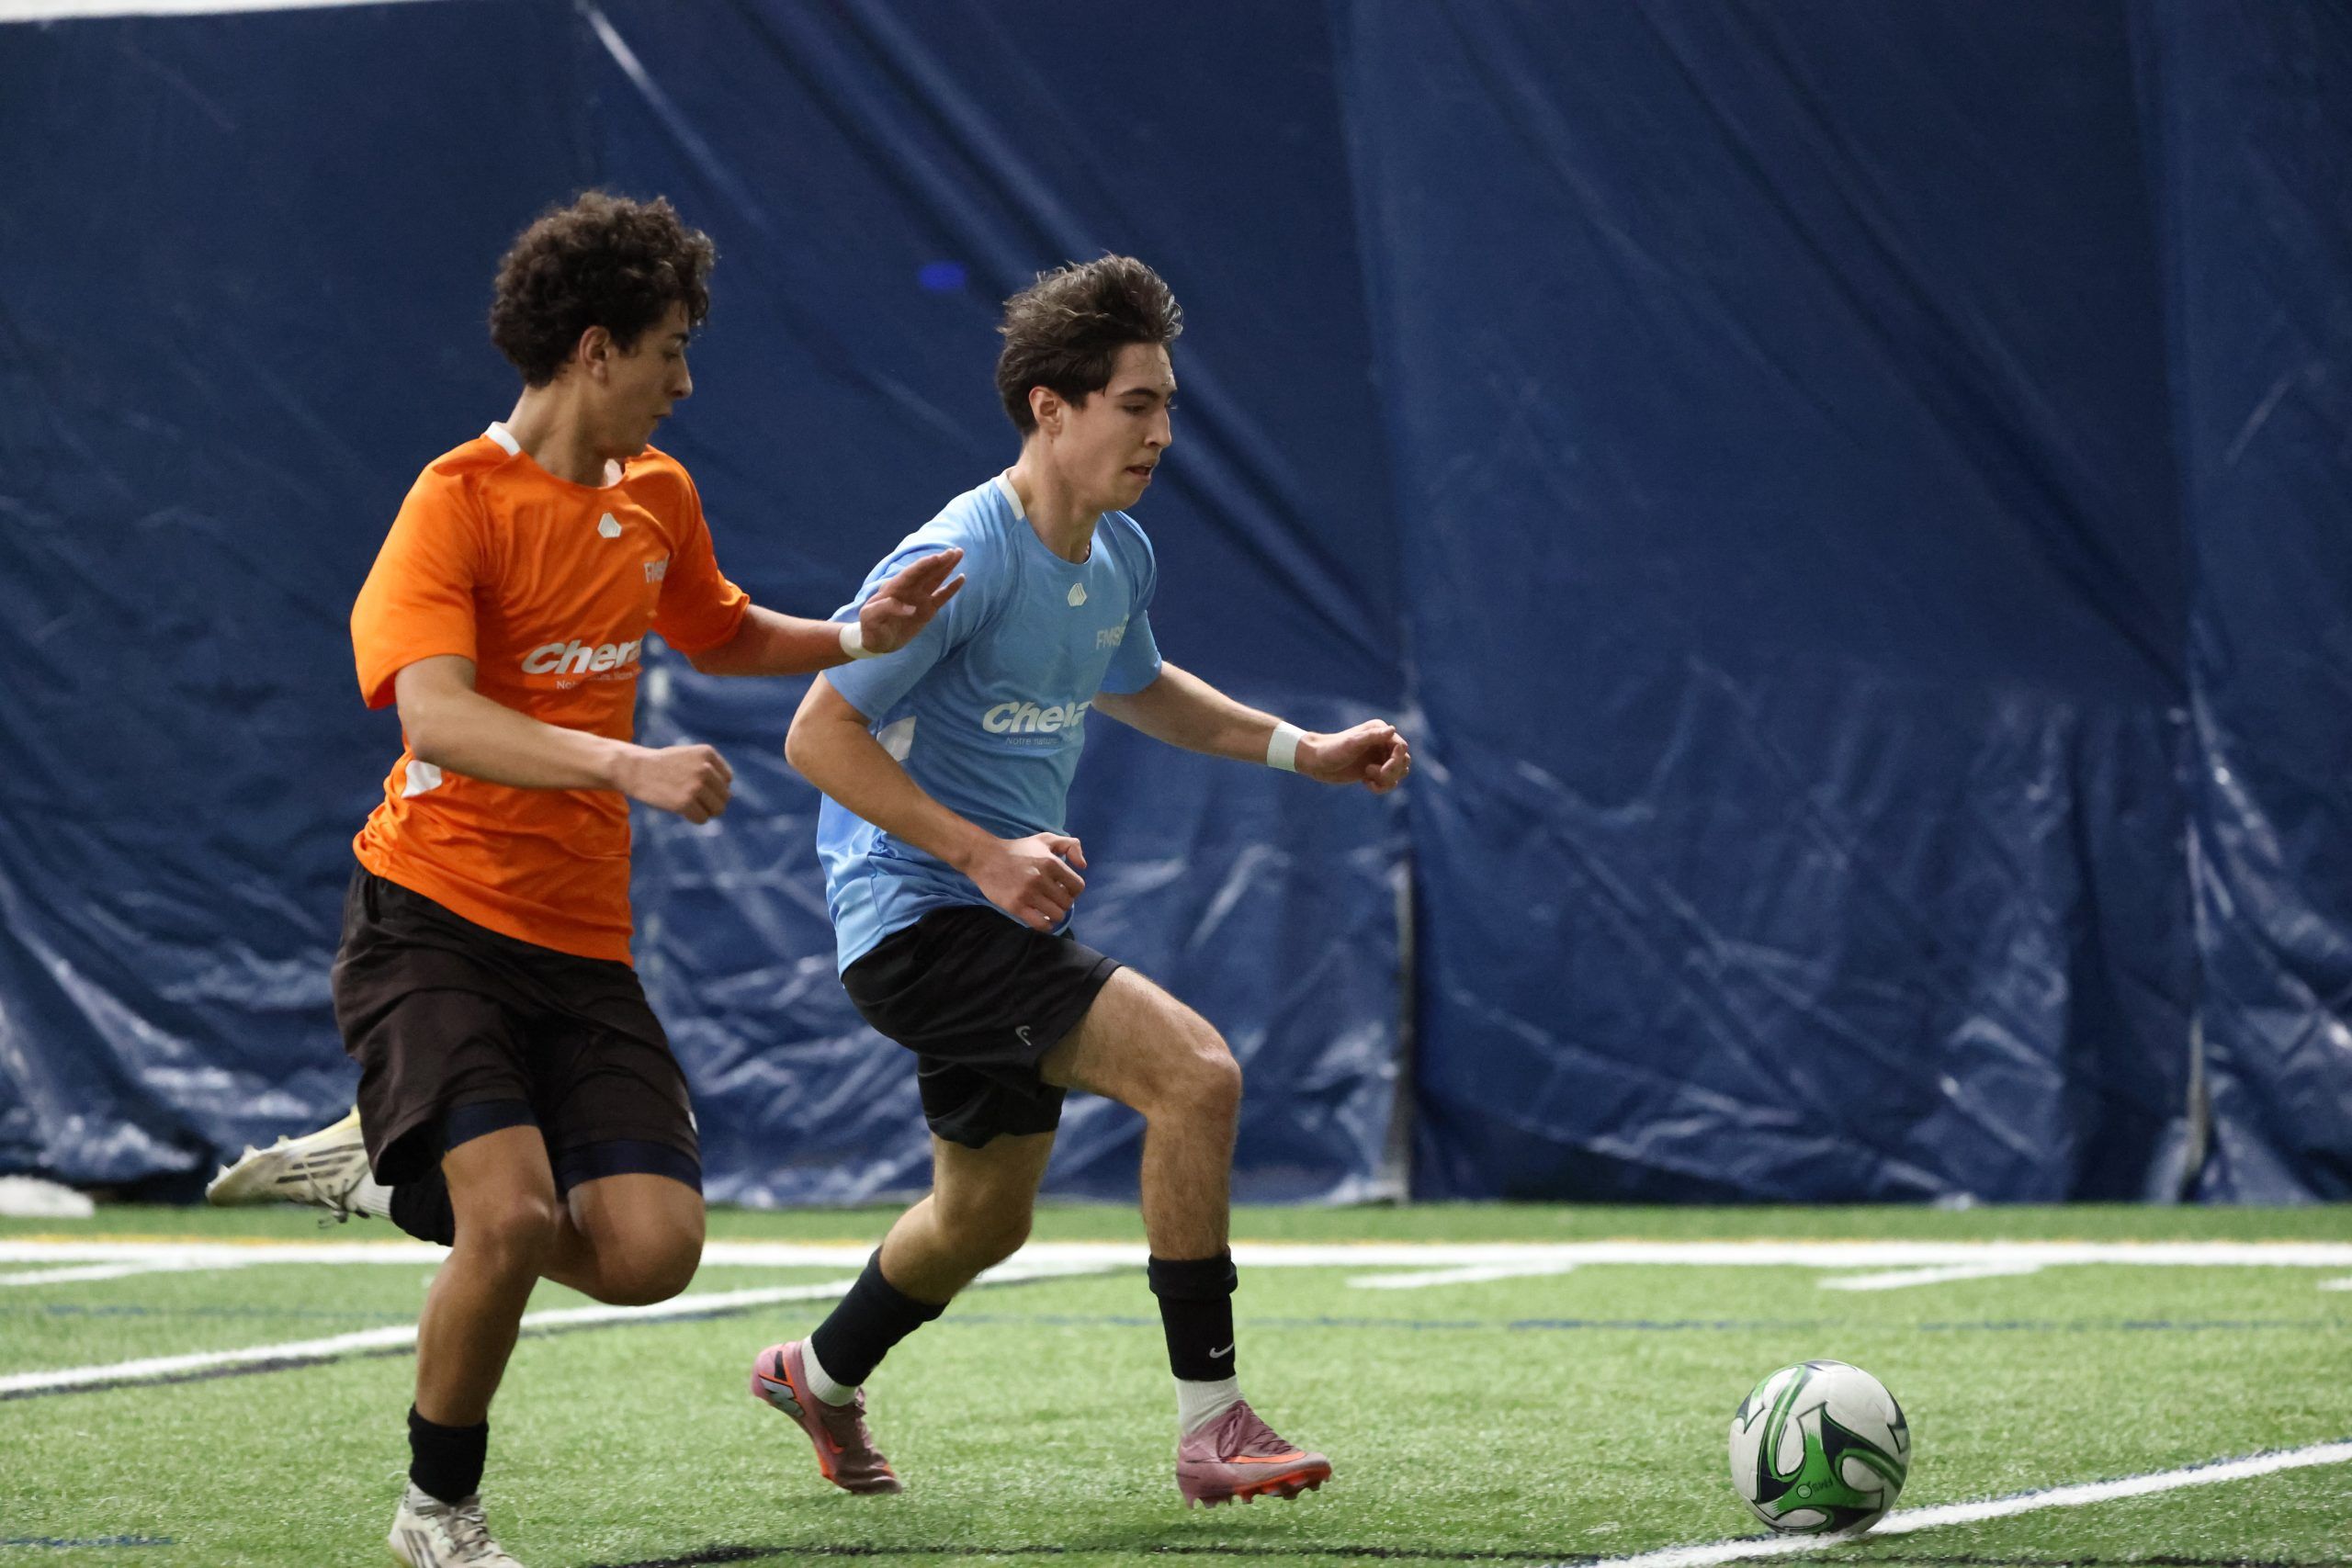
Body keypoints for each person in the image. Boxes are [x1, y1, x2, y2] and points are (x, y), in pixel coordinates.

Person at [204, 191, 961, 1568]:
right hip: (430, 921)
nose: (686, 383)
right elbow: (436, 716)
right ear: (596, 349)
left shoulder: (657, 494)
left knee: (648, 1254)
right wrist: (625, 765)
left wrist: (857, 631)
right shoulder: (453, 503)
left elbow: (719, 630)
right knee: (507, 1221)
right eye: (671, 351)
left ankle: (386, 1171)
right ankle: (437, 1513)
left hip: (579, 941)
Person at [749, 254, 1410, 1507]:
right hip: (918, 920)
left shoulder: (1117, 555)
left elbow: (1142, 685)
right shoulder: (959, 554)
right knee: (1196, 1074)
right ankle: (1213, 1425)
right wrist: (981, 852)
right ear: (1050, 408)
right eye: (1136, 404)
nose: (1161, 433)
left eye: (1167, 407)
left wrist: (1305, 750)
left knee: (983, 1219)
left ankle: (814, 1375)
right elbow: (815, 736)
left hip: (988, 916)